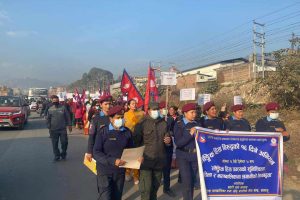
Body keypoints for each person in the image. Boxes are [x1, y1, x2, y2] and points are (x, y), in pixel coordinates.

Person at [93, 105, 138, 200]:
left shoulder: (127, 132)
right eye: (118, 118)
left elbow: (131, 149)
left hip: (120, 171)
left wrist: (137, 157)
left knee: (117, 197)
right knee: (106, 197)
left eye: (122, 117)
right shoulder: (103, 132)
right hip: (104, 171)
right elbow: (96, 152)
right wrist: (112, 161)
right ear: (111, 119)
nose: (121, 120)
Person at [133, 102, 172, 200]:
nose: (156, 111)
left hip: (159, 160)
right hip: (146, 160)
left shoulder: (164, 123)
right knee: (146, 188)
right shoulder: (141, 124)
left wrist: (168, 141)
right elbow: (136, 142)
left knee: (155, 187)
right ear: (149, 111)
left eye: (157, 109)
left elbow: (167, 138)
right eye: (154, 109)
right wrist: (138, 156)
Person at [173, 103, 201, 200]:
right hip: (183, 156)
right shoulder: (179, 124)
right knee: (187, 182)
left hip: (194, 156)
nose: (194, 114)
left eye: (195, 112)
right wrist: (190, 134)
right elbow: (179, 143)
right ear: (185, 113)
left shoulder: (197, 124)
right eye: (192, 112)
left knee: (192, 181)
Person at [123, 99, 144, 184]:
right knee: (128, 156)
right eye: (132, 104)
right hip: (128, 137)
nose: (134, 105)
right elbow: (126, 125)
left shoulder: (141, 113)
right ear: (128, 106)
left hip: (138, 137)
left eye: (135, 103)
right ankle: (127, 172)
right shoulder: (125, 114)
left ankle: (136, 175)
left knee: (136, 157)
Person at [86, 95, 112, 162]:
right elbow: (91, 135)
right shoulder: (96, 118)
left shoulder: (114, 117)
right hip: (99, 150)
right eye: (106, 104)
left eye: (109, 104)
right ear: (101, 105)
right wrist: (89, 151)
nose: (108, 106)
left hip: (112, 149)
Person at [46, 95, 72, 161]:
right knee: (55, 144)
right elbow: (48, 119)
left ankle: (63, 153)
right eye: (54, 101)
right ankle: (56, 156)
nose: (55, 102)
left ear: (58, 101)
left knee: (64, 142)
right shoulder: (50, 109)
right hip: (53, 130)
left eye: (56, 101)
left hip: (62, 129)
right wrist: (49, 127)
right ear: (52, 101)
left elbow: (68, 117)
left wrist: (70, 125)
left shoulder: (63, 108)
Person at [158, 101, 176, 197]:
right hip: (157, 149)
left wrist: (169, 138)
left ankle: (167, 188)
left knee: (167, 170)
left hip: (167, 147)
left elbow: (172, 131)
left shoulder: (169, 119)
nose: (165, 110)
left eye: (166, 108)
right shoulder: (155, 120)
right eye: (163, 108)